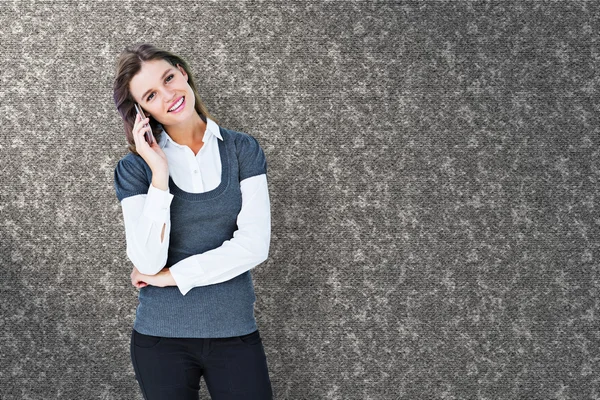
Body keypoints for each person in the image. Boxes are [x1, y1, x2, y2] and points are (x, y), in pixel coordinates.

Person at [112, 43, 274, 400]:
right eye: (152, 95)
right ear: (142, 111)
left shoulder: (242, 150)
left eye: (169, 78)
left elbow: (253, 246)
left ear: (182, 72)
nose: (169, 95)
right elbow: (147, 261)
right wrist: (159, 173)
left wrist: (170, 278)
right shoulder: (134, 169)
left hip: (234, 331)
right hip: (160, 339)